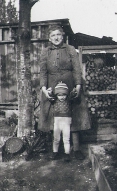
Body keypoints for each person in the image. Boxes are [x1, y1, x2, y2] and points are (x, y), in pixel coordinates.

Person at [39, 25, 91, 160]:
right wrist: (44, 89)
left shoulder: (70, 49)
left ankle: (77, 149)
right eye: (53, 35)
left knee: (73, 115)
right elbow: (43, 72)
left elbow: (76, 69)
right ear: (49, 38)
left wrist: (78, 86)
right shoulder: (45, 52)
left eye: (58, 35)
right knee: (52, 116)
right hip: (51, 86)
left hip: (70, 84)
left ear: (63, 36)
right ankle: (56, 150)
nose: (56, 38)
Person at [51, 82, 73, 162]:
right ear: (57, 95)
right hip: (57, 120)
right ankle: (55, 152)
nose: (61, 97)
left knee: (66, 138)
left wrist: (74, 91)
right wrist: (50, 92)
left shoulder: (68, 100)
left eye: (64, 95)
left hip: (66, 121)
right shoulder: (55, 100)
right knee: (56, 138)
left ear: (66, 95)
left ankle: (67, 153)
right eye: (59, 95)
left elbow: (73, 95)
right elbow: (51, 96)